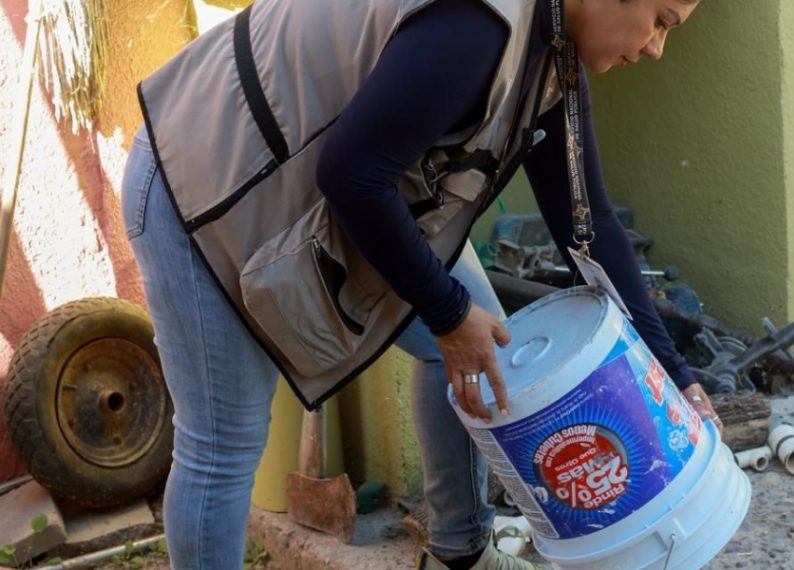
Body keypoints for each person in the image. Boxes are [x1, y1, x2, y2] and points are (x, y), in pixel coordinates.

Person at [121, 0, 714, 568]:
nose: (657, 48)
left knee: (485, 347)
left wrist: (674, 376)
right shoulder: (475, 26)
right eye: (659, 22)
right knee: (224, 445)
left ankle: (461, 551)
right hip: (200, 177)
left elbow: (589, 227)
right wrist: (447, 312)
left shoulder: (554, 48)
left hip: (326, 189)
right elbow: (351, 176)